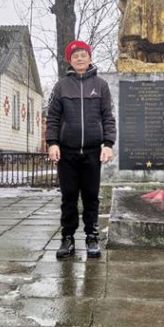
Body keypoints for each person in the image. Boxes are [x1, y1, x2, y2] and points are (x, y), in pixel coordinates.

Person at [46, 41, 116, 259]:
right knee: (68, 197)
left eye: (83, 54)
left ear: (89, 57)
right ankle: (67, 239)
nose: (79, 58)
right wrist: (52, 143)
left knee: (91, 197)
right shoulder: (61, 86)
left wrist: (108, 144)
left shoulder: (101, 85)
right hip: (67, 152)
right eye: (75, 55)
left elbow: (108, 117)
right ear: (70, 59)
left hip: (93, 152)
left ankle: (92, 237)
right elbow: (53, 118)